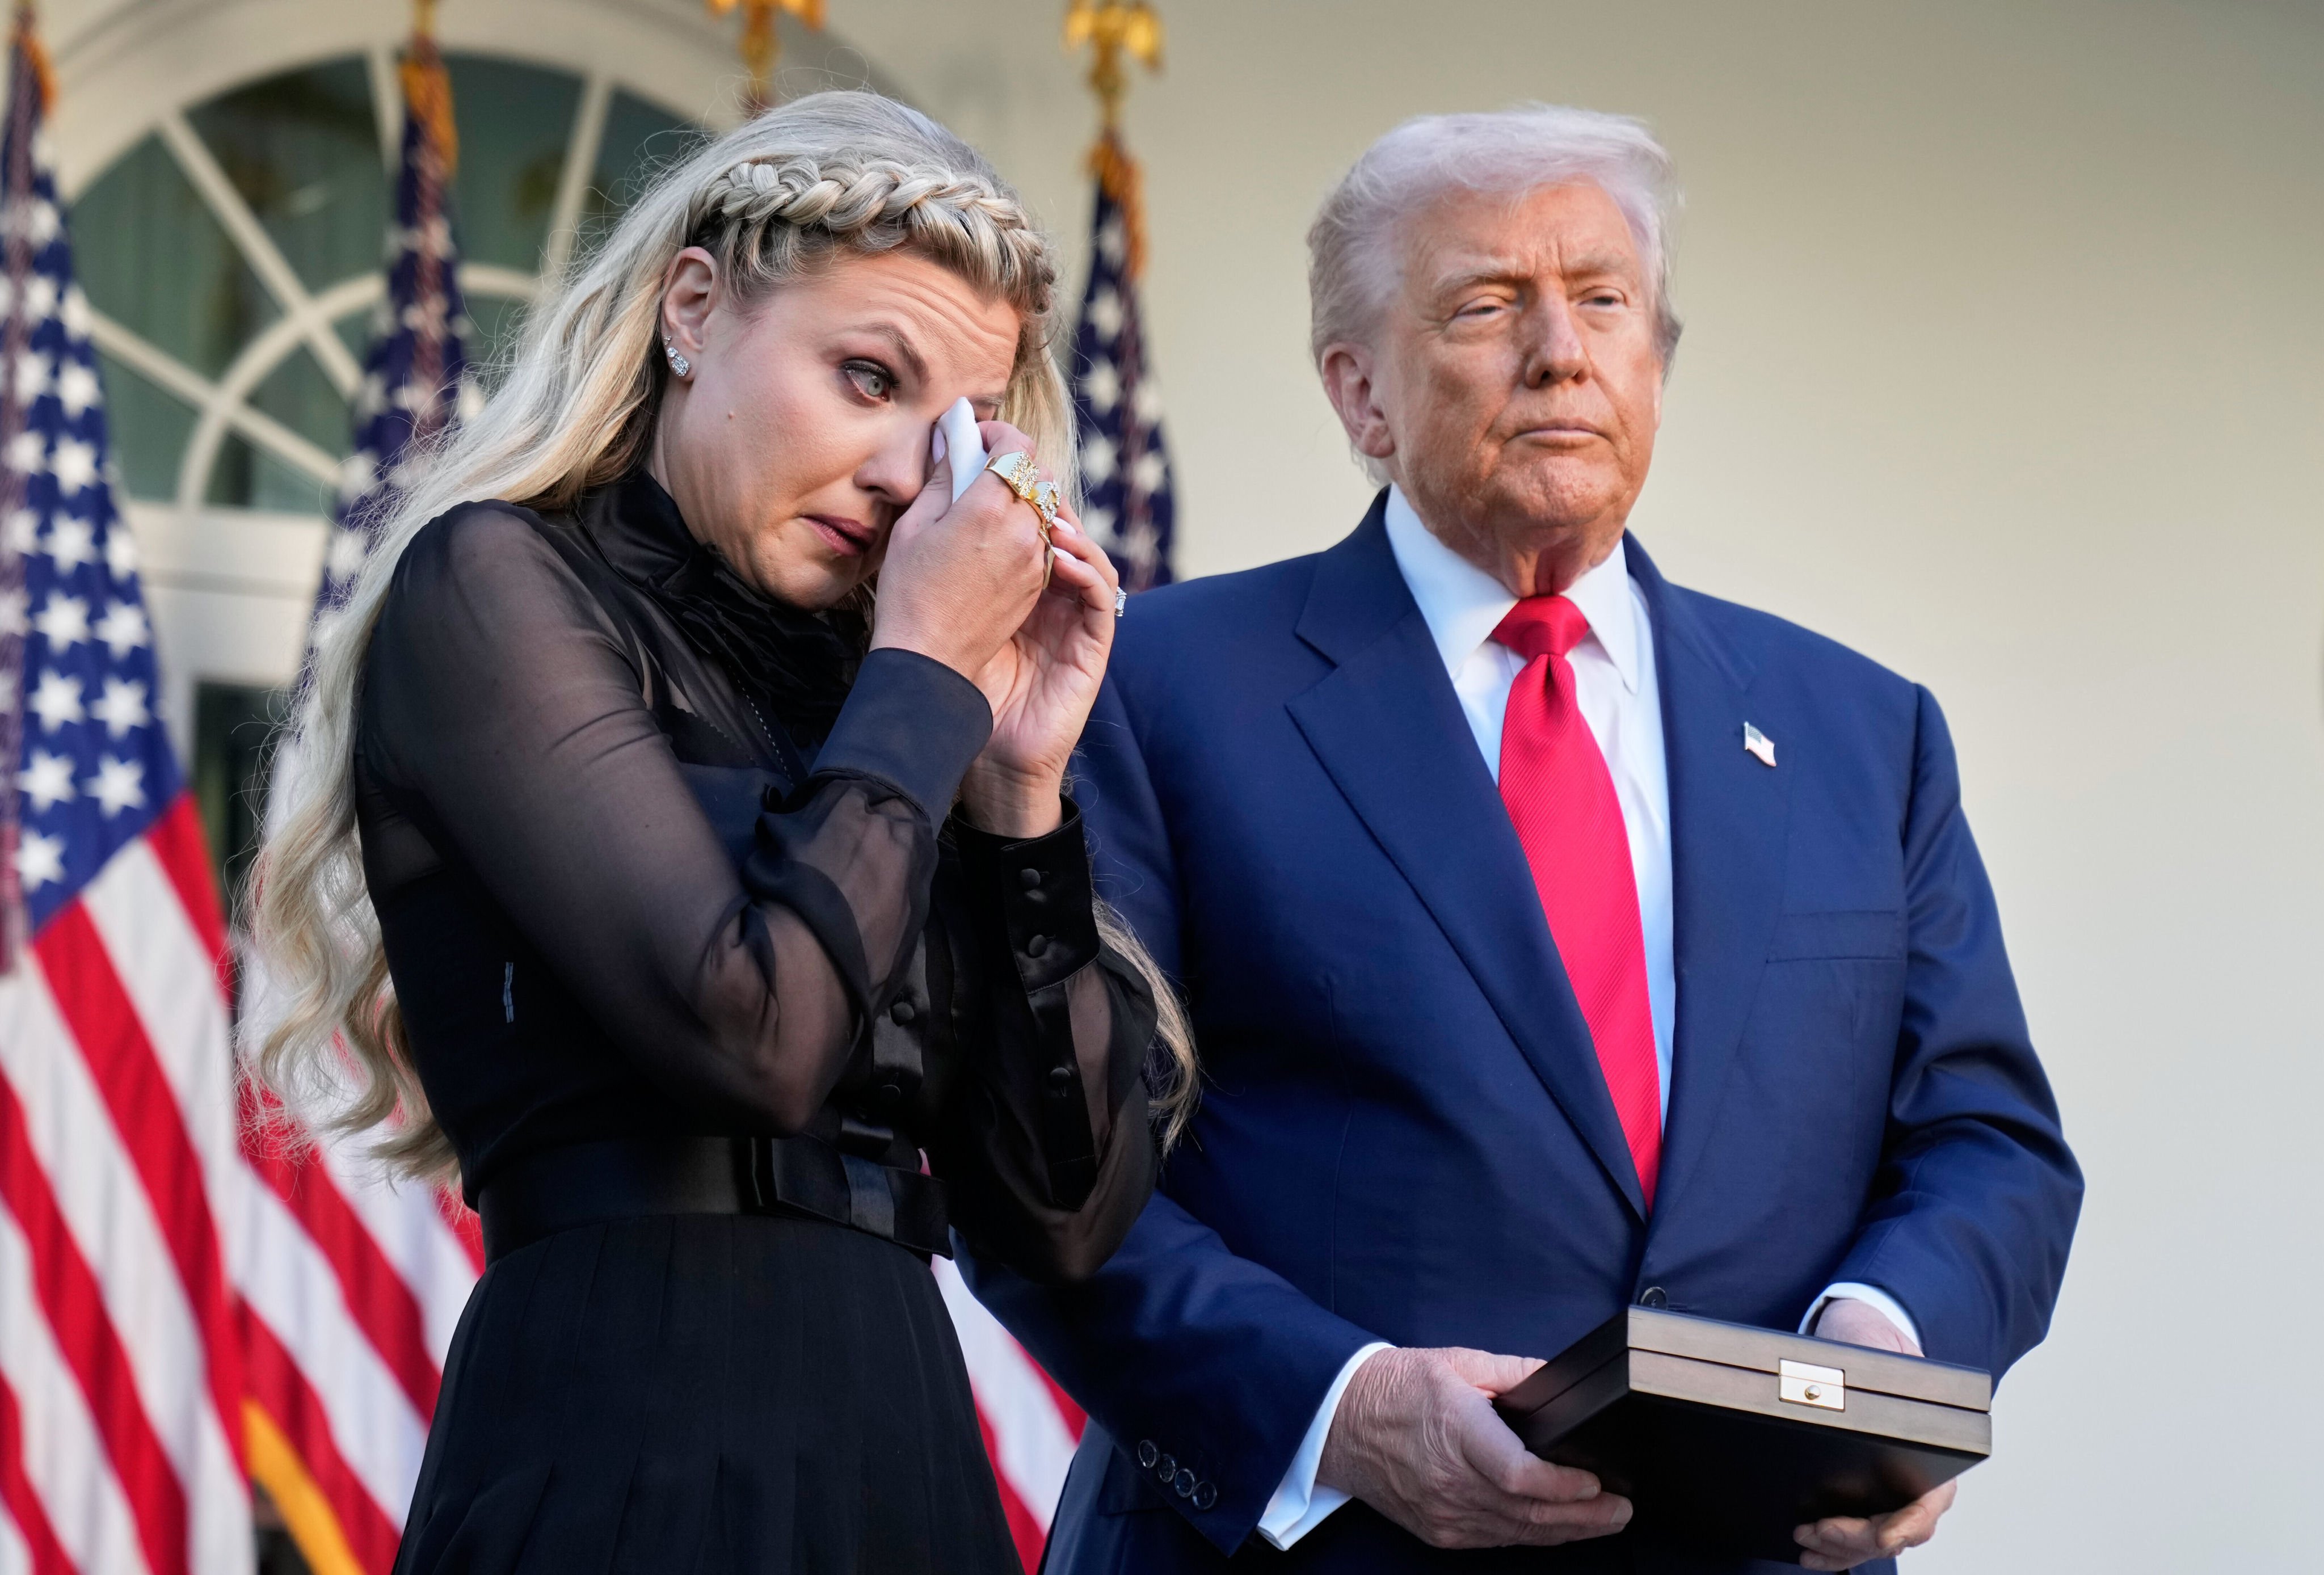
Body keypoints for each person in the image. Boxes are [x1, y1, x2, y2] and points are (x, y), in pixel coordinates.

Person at [963, 106, 2083, 1573]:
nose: (1561, 350)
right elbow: (1039, 1177)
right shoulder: (1146, 691)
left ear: (1659, 365)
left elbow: (1988, 1146)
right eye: (1488, 305)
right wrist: (1343, 1409)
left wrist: (1865, 1368)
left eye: (1605, 301)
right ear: (1359, 392)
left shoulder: (1865, 732)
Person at [250, 91, 1190, 1575]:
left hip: (908, 1461)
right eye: (864, 377)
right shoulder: (496, 590)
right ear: (693, 308)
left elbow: (1068, 1215)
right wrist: (929, 673)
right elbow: (753, 1033)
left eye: (952, 437)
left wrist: (1017, 796)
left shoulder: (888, 695)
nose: (903, 477)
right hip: (620, 1442)